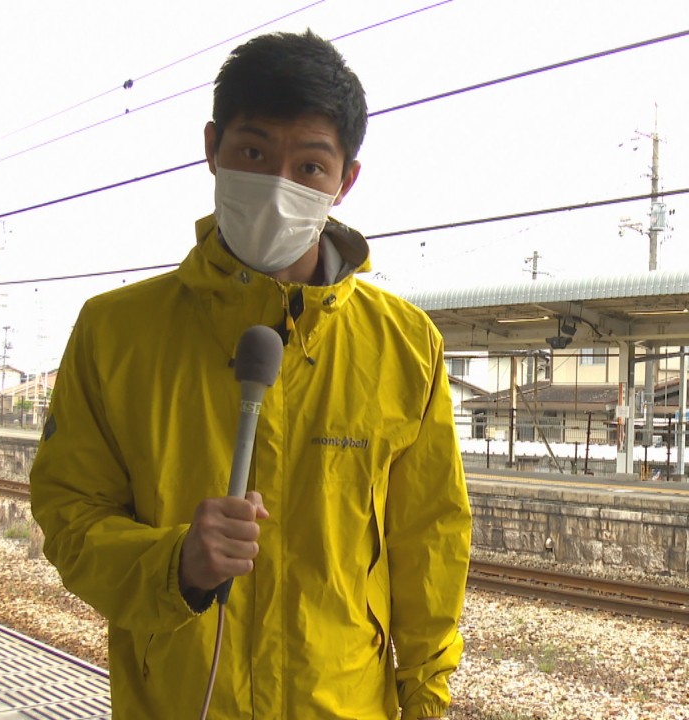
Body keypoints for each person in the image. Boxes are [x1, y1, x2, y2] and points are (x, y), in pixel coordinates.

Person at [30, 31, 472, 720]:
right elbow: (69, 517)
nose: (277, 185)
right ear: (212, 148)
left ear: (344, 181)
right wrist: (176, 563)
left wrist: (426, 699)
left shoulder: (405, 346)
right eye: (254, 153)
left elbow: (431, 543)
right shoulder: (115, 333)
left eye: (309, 168)